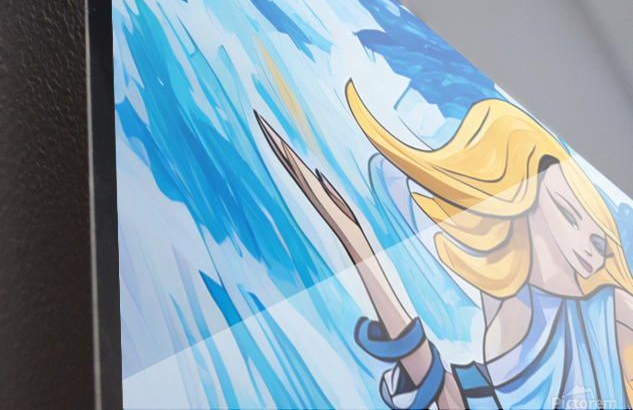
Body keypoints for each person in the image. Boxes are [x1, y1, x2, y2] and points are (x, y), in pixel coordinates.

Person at [255, 80, 633, 409]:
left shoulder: (607, 313)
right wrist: (356, 243)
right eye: (569, 215)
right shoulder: (506, 335)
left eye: (600, 241)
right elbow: (443, 389)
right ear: (519, 207)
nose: (593, 250)